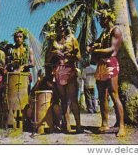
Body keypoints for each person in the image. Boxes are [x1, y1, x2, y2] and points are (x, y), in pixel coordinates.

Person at [86, 9, 125, 137]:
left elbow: (112, 49)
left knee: (114, 95)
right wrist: (90, 46)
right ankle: (104, 123)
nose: (100, 22)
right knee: (102, 96)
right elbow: (95, 43)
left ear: (107, 18)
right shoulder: (104, 33)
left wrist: (95, 51)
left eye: (101, 19)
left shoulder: (116, 31)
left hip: (111, 64)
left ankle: (122, 126)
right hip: (101, 65)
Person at [46, 19, 82, 133]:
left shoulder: (72, 39)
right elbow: (47, 60)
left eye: (62, 28)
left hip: (70, 69)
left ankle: (78, 125)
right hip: (58, 71)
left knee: (73, 99)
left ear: (66, 28)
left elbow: (79, 57)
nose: (61, 30)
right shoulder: (53, 42)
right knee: (63, 100)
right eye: (58, 28)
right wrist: (53, 53)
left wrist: (71, 55)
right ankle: (67, 125)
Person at [7, 27, 35, 94]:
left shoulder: (28, 49)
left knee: (25, 95)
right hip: (14, 74)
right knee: (14, 95)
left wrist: (24, 66)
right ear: (14, 39)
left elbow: (33, 63)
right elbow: (7, 64)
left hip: (25, 75)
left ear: (23, 38)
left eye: (20, 37)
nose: (18, 38)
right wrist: (12, 64)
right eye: (17, 37)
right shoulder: (11, 50)